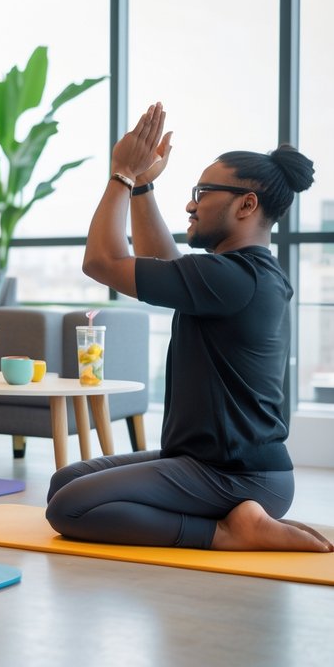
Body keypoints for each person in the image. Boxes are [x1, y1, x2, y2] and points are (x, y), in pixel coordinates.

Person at [47, 102, 331, 552]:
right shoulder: (241, 274)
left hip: (237, 474)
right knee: (65, 482)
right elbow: (164, 263)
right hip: (210, 464)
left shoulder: (234, 278)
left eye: (203, 192)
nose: (190, 204)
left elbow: (101, 262)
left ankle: (226, 532)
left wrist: (121, 173)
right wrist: (142, 187)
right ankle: (239, 518)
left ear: (247, 204)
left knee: (70, 508)